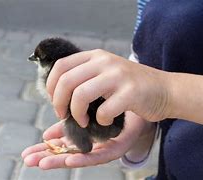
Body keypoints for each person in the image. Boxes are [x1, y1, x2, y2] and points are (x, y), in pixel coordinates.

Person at [22, 0, 203, 179]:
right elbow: (150, 51)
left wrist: (167, 94)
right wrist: (136, 110)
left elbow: (160, 86)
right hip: (174, 166)